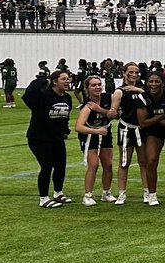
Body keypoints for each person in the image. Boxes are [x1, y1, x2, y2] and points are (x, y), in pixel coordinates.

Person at [24, 68, 73, 207]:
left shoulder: (67, 97)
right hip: (39, 138)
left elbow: (64, 117)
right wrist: (41, 80)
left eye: (68, 79)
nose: (67, 81)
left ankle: (58, 193)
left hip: (57, 138)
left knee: (60, 166)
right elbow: (28, 95)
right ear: (54, 82)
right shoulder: (43, 95)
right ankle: (43, 198)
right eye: (63, 79)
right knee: (46, 166)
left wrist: (65, 131)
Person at [137, 70, 165, 205]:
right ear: (146, 83)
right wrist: (163, 115)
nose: (154, 84)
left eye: (157, 81)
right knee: (151, 161)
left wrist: (152, 117)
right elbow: (143, 123)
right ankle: (152, 195)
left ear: (163, 82)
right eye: (151, 81)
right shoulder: (143, 97)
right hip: (154, 131)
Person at [109, 62, 148, 205]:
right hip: (126, 129)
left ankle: (147, 192)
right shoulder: (120, 91)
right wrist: (113, 112)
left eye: (136, 72)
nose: (134, 75)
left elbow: (152, 97)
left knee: (144, 162)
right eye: (130, 72)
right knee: (124, 162)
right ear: (124, 73)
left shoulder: (144, 88)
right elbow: (114, 112)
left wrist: (136, 89)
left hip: (142, 129)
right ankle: (121, 193)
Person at [75, 75, 115, 205]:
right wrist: (97, 131)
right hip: (90, 135)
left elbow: (115, 114)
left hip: (105, 133)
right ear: (87, 88)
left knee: (108, 164)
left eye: (99, 84)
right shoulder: (87, 106)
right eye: (93, 85)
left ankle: (106, 192)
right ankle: (87, 195)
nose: (97, 87)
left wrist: (100, 110)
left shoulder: (108, 98)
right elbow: (79, 127)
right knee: (93, 165)